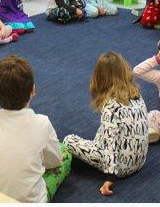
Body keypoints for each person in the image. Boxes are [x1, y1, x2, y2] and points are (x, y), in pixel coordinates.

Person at [0, 55, 72, 203]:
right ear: (33, 90)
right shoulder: (42, 123)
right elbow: (54, 162)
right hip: (31, 200)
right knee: (65, 154)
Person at [63, 52, 148, 197]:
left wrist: (110, 178)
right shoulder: (136, 95)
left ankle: (108, 165)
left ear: (99, 76)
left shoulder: (110, 107)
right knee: (107, 129)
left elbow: (111, 144)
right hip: (140, 161)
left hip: (121, 168)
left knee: (68, 140)